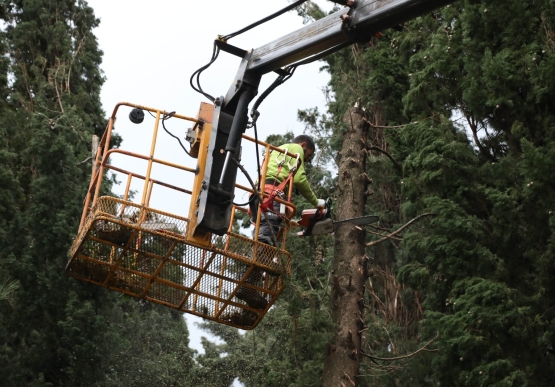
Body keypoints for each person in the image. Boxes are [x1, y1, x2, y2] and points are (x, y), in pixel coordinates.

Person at [235, 134, 325, 310]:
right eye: (307, 157)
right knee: (266, 242)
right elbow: (299, 179)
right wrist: (317, 202)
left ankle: (249, 285)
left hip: (258, 196)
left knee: (263, 240)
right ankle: (248, 280)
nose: (305, 161)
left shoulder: (275, 154)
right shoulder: (295, 149)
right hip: (272, 196)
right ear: (303, 145)